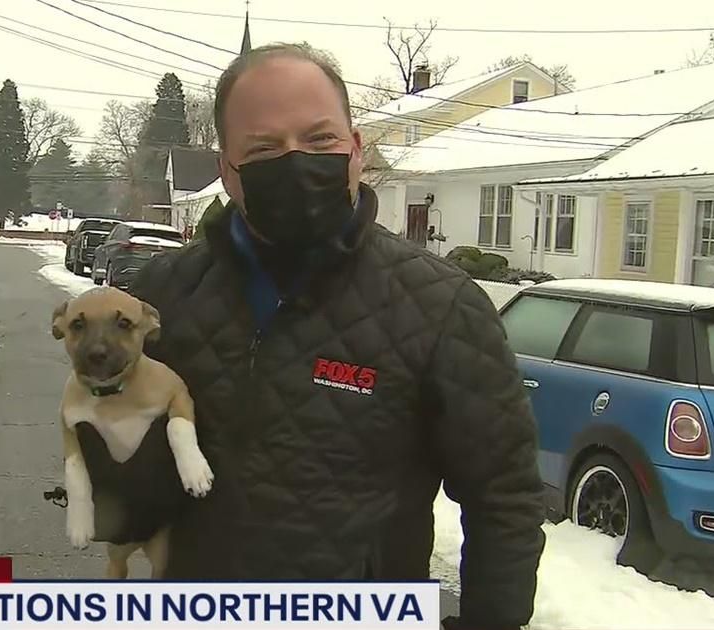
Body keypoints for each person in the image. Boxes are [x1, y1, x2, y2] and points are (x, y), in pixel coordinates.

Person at [125, 43, 546, 630]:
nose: (297, 163)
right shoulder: (162, 295)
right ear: (227, 172)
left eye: (320, 140)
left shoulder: (439, 305)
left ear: (356, 148)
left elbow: (504, 496)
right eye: (265, 148)